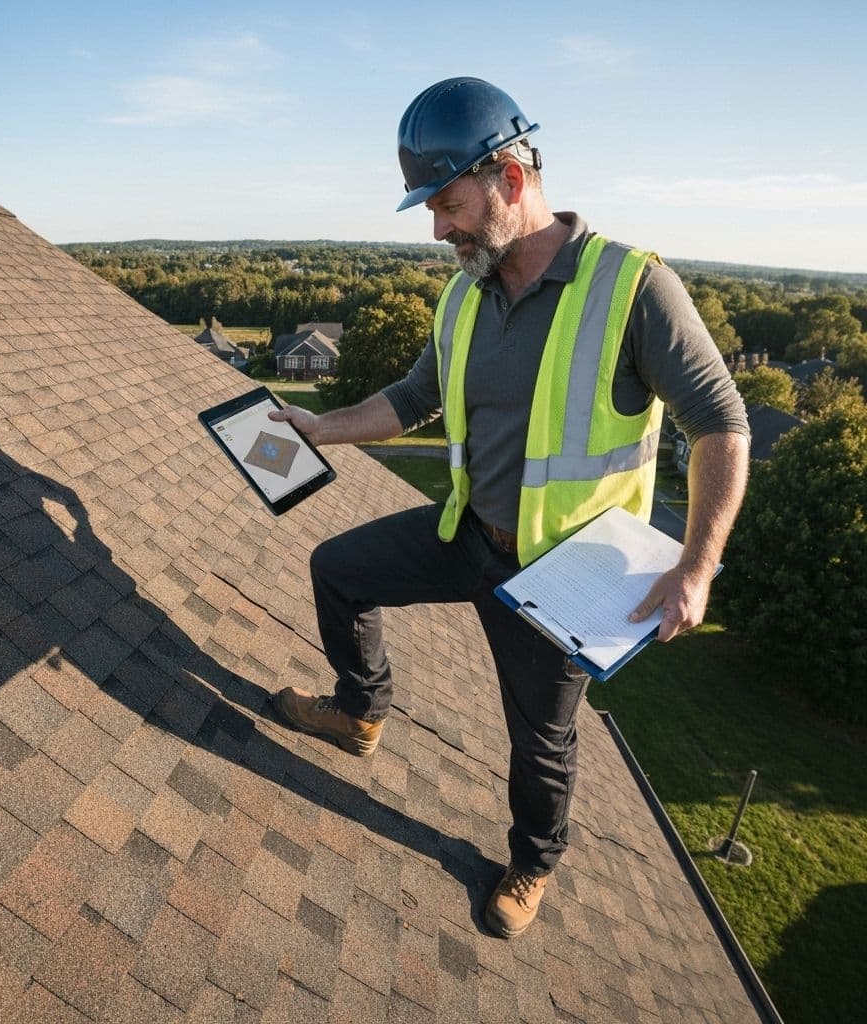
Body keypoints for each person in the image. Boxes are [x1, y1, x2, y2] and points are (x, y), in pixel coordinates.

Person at [269, 77, 749, 939]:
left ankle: (533, 863)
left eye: (448, 206)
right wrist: (319, 427)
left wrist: (697, 565)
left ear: (511, 180)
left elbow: (721, 422)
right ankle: (360, 711)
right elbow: (415, 397)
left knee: (541, 744)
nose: (438, 230)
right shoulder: (466, 292)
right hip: (467, 535)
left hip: (562, 574)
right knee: (337, 570)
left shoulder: (632, 287)